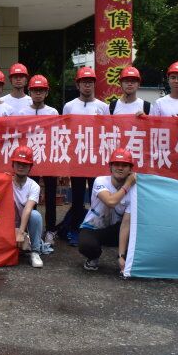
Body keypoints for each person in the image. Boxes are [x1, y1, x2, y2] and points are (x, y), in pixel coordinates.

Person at [60, 66, 109, 245]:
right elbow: (63, 133)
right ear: (78, 85)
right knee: (78, 196)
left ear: (94, 84)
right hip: (77, 158)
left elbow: (108, 132)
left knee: (97, 197)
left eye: (90, 82)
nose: (87, 85)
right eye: (83, 82)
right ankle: (74, 231)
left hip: (96, 159)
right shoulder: (69, 106)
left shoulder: (103, 107)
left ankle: (95, 231)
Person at [16, 74, 59, 243]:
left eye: (41, 90)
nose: (38, 93)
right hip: (28, 160)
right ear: (30, 92)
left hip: (48, 159)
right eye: (35, 90)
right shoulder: (22, 112)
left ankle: (51, 230)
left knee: (50, 195)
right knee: (30, 195)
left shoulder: (53, 112)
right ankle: (30, 229)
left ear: (47, 92)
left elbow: (58, 136)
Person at [78, 148, 136, 272]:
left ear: (130, 169)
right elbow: (110, 201)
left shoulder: (134, 191)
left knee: (136, 234)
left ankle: (125, 260)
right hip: (93, 227)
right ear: (110, 166)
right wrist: (127, 184)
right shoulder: (100, 181)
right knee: (86, 245)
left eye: (125, 165)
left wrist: (121, 255)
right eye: (116, 164)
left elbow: (126, 224)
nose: (120, 168)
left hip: (115, 230)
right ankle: (94, 257)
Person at [9, 145, 44, 269]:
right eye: (18, 163)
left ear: (30, 167)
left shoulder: (34, 186)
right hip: (8, 224)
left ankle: (35, 251)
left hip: (24, 225)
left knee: (35, 215)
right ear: (12, 164)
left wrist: (21, 233)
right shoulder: (5, 181)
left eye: (25, 164)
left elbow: (28, 209)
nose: (21, 166)